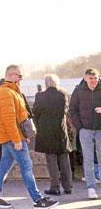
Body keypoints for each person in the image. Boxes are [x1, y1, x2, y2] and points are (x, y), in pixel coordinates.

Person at [0, 64, 58, 208]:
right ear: (12, 75)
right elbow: (9, 120)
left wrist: (23, 135)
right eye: (20, 76)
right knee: (26, 167)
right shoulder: (6, 92)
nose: (21, 79)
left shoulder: (7, 91)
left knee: (3, 167)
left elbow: (18, 117)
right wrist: (16, 139)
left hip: (11, 137)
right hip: (12, 138)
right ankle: (38, 199)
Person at [34, 74, 72, 196]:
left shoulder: (40, 96)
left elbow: (35, 112)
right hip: (61, 130)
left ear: (46, 83)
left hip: (46, 131)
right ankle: (68, 186)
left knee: (51, 160)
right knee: (64, 158)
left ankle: (55, 187)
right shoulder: (63, 94)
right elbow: (65, 111)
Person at [69, 67, 101, 200]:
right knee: (87, 160)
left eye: (95, 78)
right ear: (85, 78)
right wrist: (80, 127)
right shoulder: (78, 90)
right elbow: (72, 109)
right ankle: (91, 188)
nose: (93, 81)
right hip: (85, 130)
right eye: (90, 78)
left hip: (100, 129)